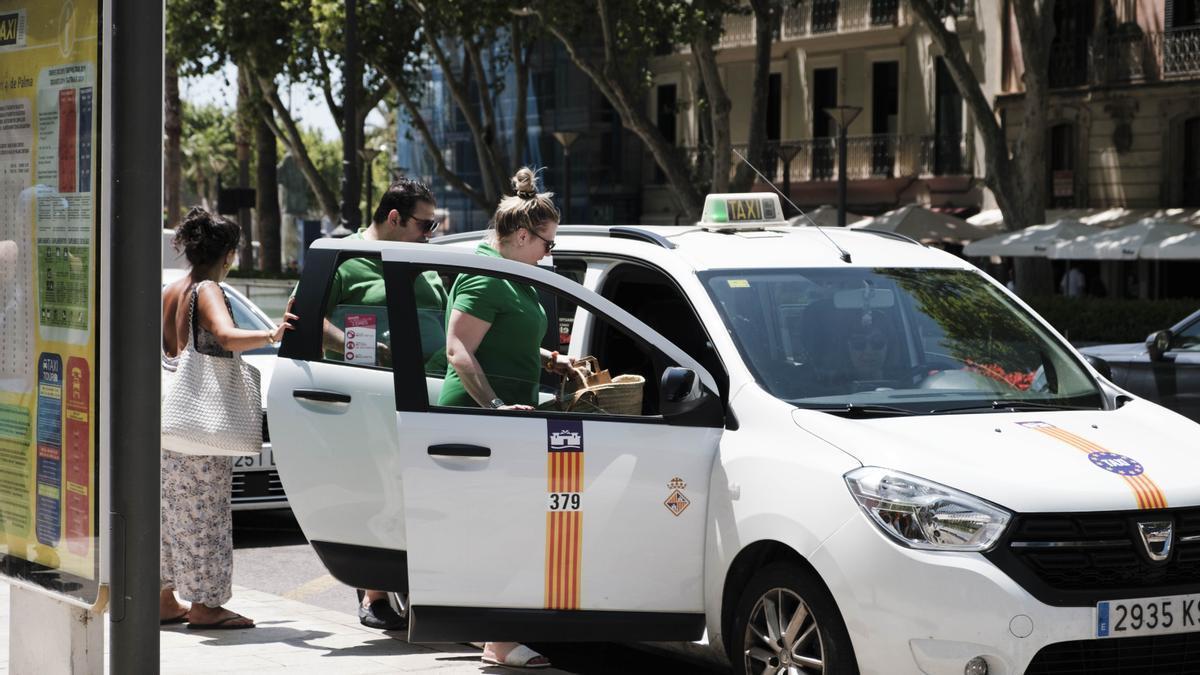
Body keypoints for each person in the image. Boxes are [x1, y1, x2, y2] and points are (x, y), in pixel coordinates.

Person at [439, 167, 576, 669]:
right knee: (498, 528)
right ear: (522, 236)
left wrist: (547, 359)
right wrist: (493, 407)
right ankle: (497, 640)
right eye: (547, 243)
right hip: (482, 419)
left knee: (504, 525)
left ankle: (492, 632)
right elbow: (458, 349)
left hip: (507, 417)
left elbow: (502, 333)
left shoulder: (509, 272)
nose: (549, 252)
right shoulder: (486, 275)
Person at [315, 179, 445, 630]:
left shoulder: (424, 259)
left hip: (432, 395)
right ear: (394, 217)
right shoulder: (343, 258)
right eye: (424, 224)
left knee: (424, 494)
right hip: (370, 397)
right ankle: (374, 593)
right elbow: (306, 321)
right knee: (381, 491)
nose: (430, 234)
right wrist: (366, 352)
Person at [160, 208, 296, 629]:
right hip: (202, 428)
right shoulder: (209, 290)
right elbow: (223, 335)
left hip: (170, 421)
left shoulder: (171, 290)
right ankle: (206, 605)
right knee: (206, 516)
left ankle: (163, 599)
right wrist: (272, 334)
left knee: (170, 515)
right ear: (230, 254)